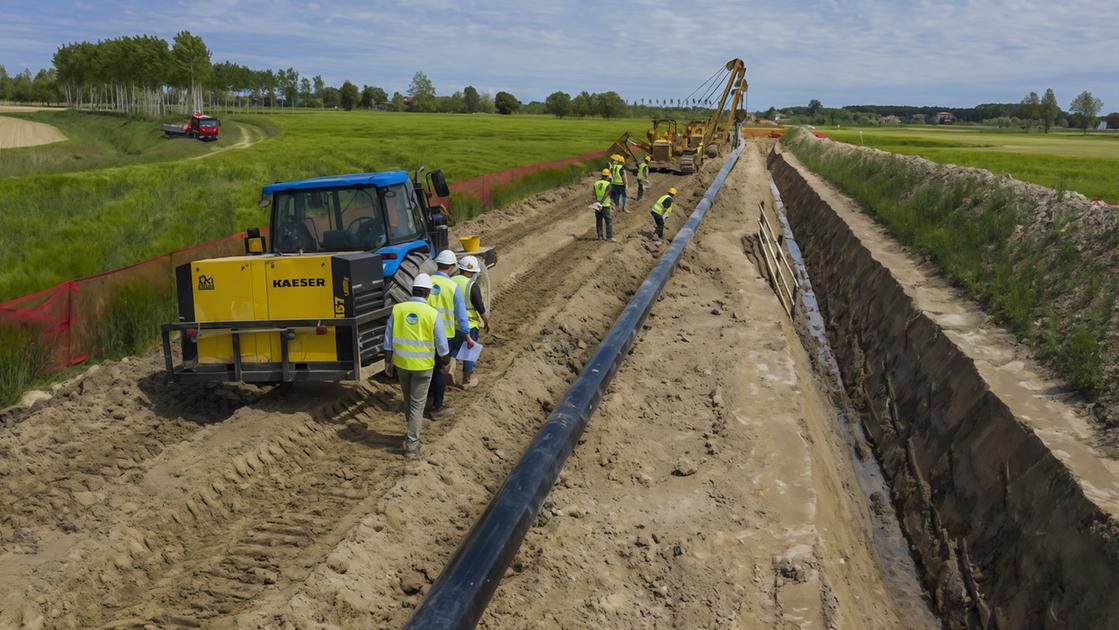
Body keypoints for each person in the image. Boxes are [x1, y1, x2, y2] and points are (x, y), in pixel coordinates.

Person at [384, 273, 449, 458]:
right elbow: (442, 344)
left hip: (402, 365)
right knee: (417, 406)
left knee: (409, 402)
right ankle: (412, 446)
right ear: (428, 293)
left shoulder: (398, 309)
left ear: (412, 290)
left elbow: (388, 339)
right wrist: (445, 362)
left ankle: (411, 435)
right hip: (423, 366)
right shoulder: (432, 313)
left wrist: (388, 361)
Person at [427, 249, 476, 419]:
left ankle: (428, 399)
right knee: (442, 369)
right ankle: (437, 407)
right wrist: (468, 335)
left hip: (425, 335)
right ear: (452, 266)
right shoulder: (452, 287)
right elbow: (462, 316)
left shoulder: (427, 283)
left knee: (429, 368)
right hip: (445, 337)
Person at [452, 255, 489, 388]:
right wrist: (486, 321)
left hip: (452, 324)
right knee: (469, 351)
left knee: (452, 350)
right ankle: (466, 381)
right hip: (469, 325)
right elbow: (480, 307)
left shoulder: (450, 281)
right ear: (470, 272)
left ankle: (449, 375)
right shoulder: (472, 285)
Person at [592, 168, 615, 241]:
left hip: (597, 205)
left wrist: (597, 202)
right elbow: (606, 194)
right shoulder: (608, 184)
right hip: (605, 206)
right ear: (607, 176)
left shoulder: (596, 183)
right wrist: (601, 203)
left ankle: (600, 236)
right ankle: (609, 237)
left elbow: (595, 194)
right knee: (608, 221)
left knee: (599, 221)